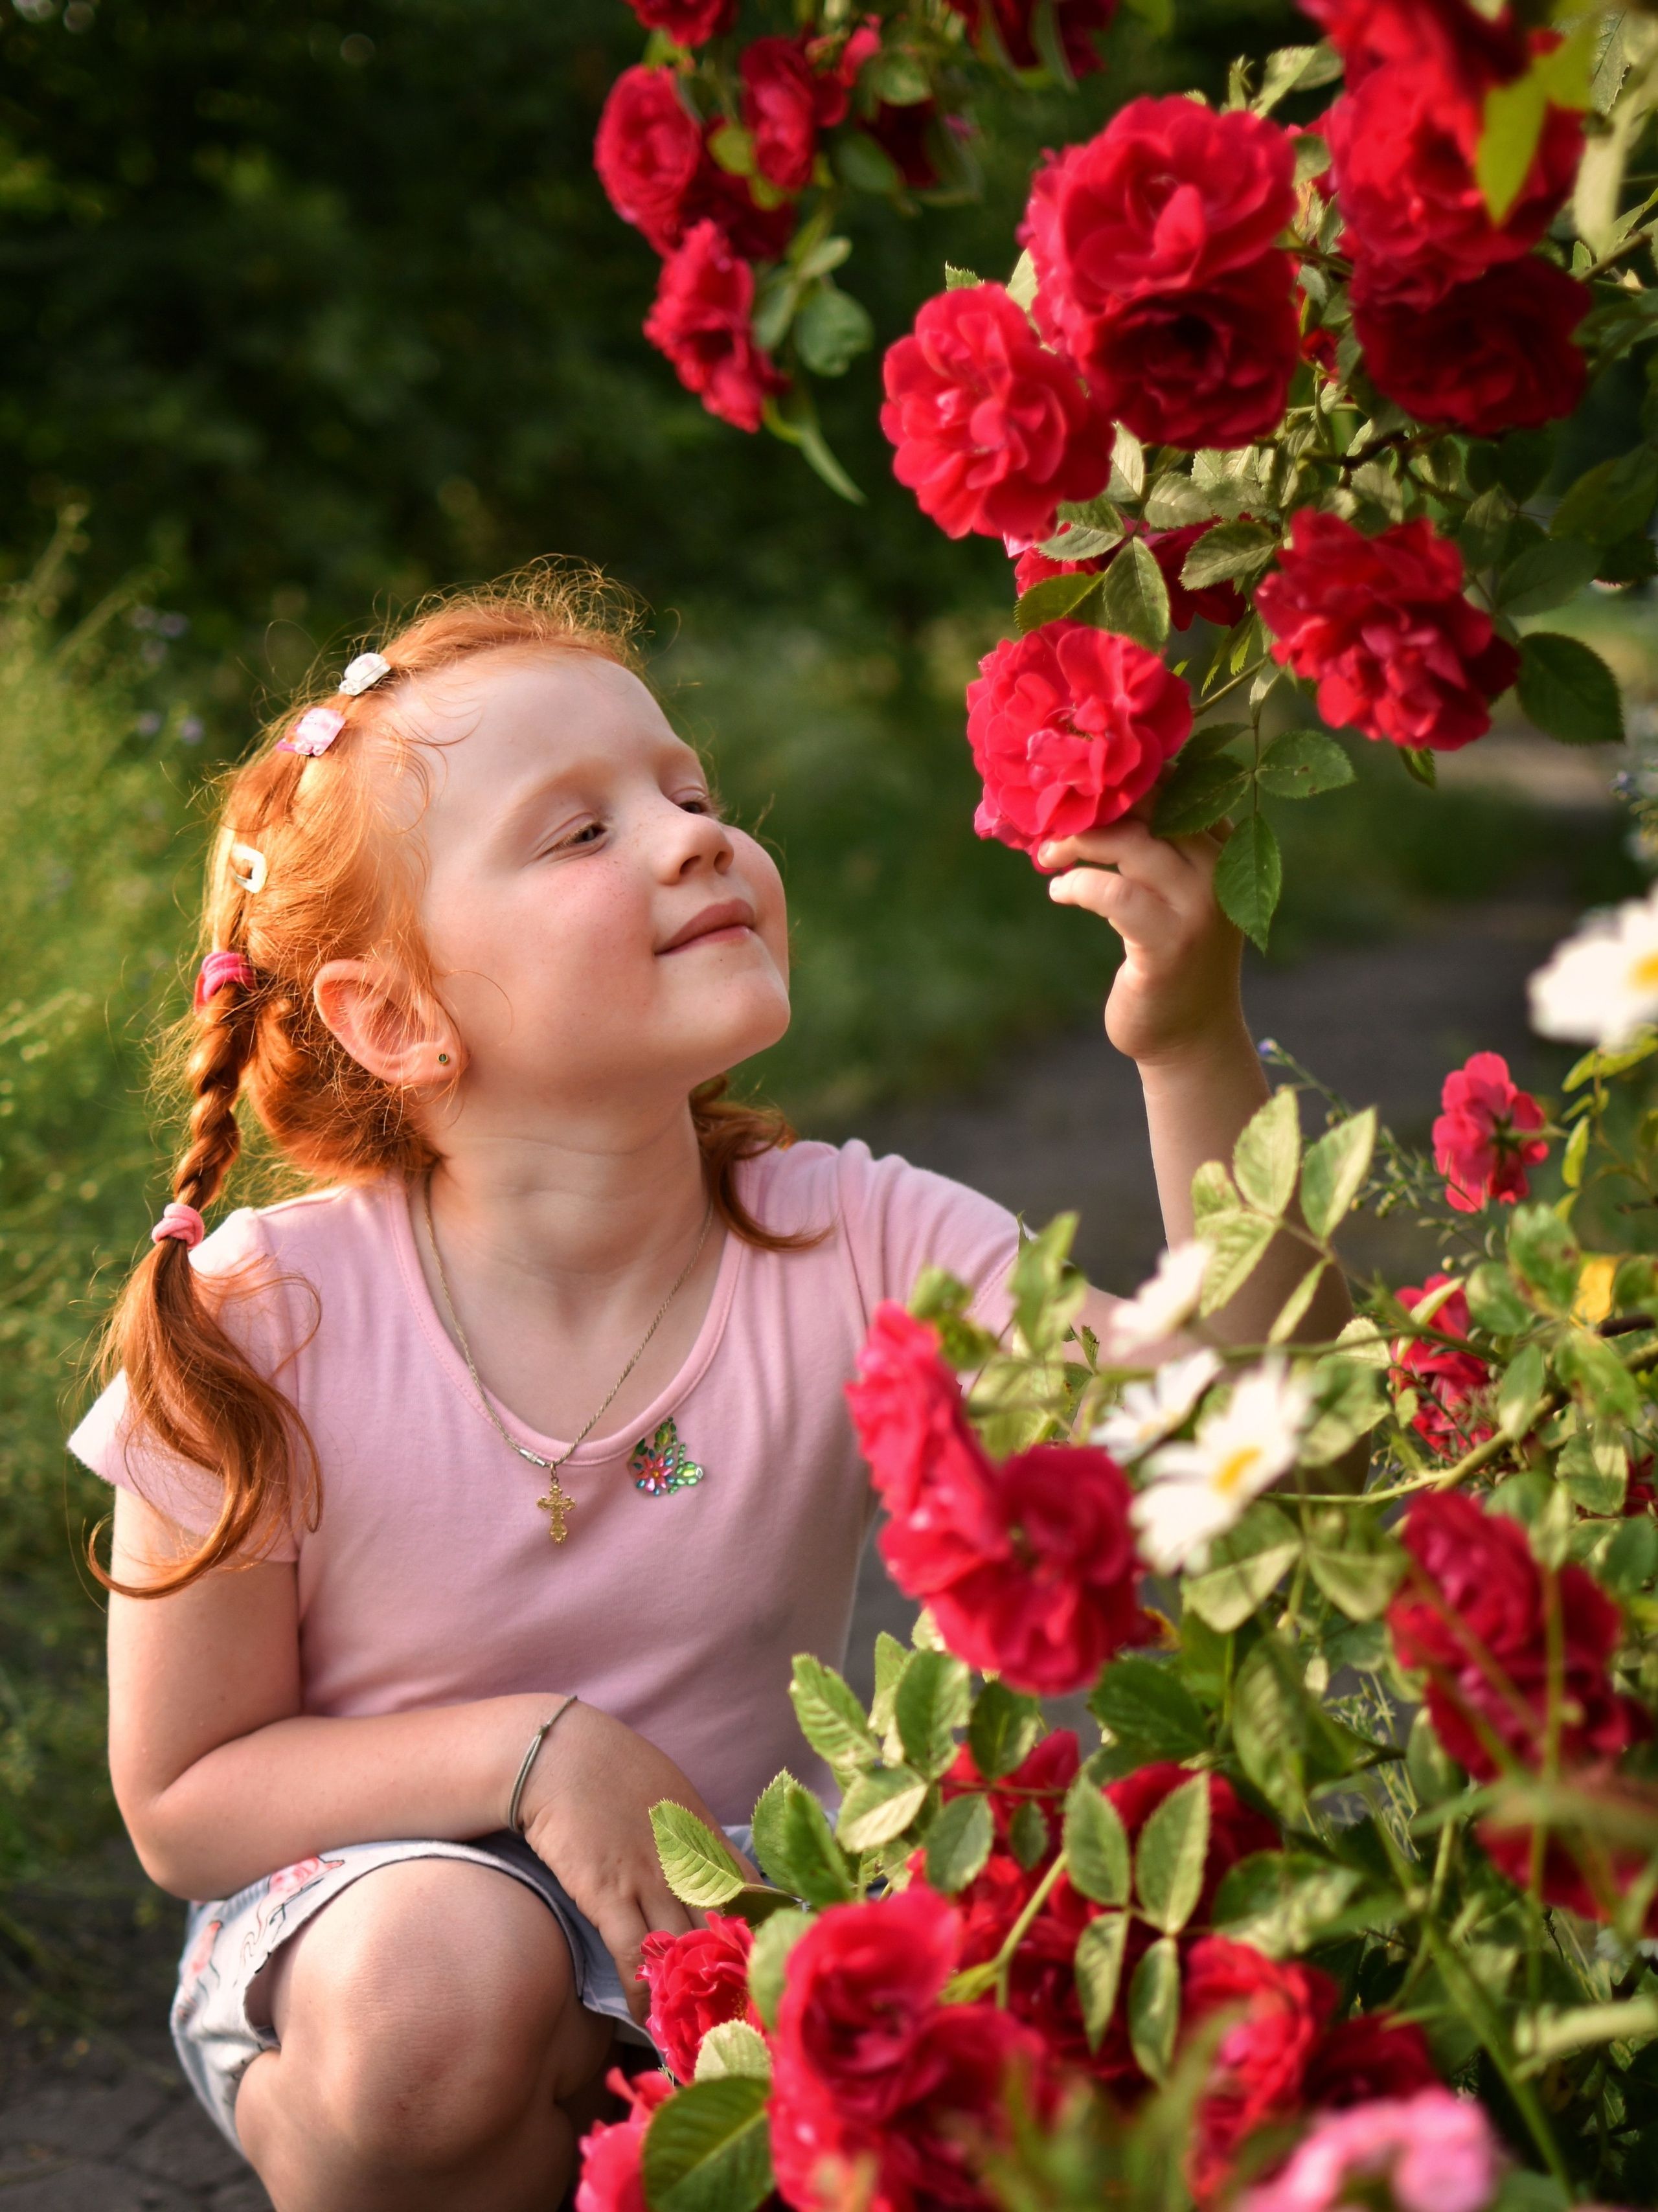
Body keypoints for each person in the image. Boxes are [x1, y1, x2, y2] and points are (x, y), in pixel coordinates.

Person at [74, 566, 1345, 2211]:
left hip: (734, 1937)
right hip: (370, 1936)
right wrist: (536, 1752)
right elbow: (184, 1800)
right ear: (394, 1018)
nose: (691, 835)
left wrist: (1186, 1043)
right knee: (437, 1995)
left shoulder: (848, 1236)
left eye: (689, 791)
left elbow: (1240, 1411)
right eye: (578, 831)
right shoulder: (271, 1312)